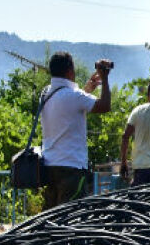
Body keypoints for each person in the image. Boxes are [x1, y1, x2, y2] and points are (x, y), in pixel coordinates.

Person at [41, 51, 111, 209]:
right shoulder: (74, 96)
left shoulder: (45, 93)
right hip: (71, 168)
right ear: (69, 71)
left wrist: (86, 90)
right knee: (70, 218)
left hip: (49, 166)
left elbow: (67, 107)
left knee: (50, 216)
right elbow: (105, 105)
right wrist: (105, 78)